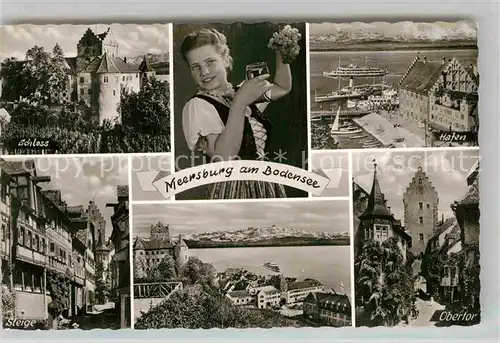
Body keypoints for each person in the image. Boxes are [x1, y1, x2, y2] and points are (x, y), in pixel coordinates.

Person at [180, 28, 295, 199]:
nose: (203, 72)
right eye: (195, 67)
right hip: (231, 188)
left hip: (265, 184)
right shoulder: (197, 105)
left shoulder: (240, 92)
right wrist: (240, 102)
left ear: (225, 60)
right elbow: (224, 157)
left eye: (210, 62)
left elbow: (282, 87)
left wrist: (282, 51)